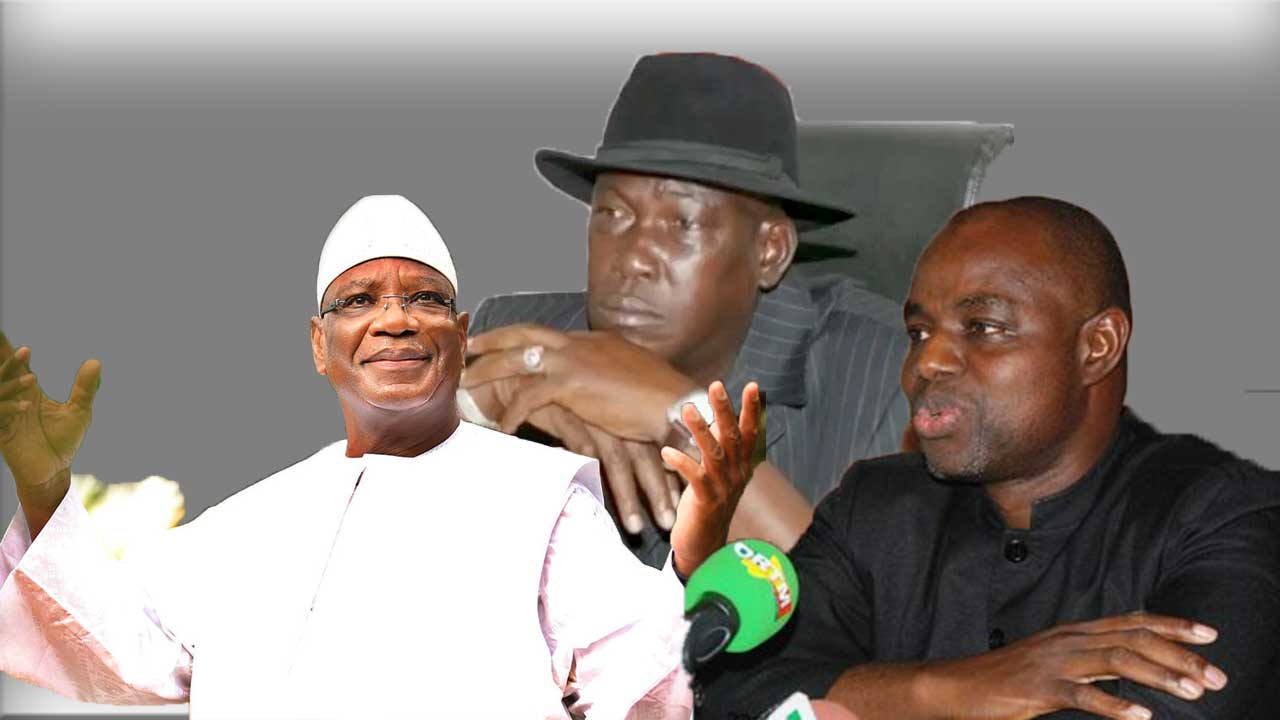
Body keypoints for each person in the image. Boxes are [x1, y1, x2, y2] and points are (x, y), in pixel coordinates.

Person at [0, 194, 762, 719]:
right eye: (359, 301)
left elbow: (643, 691)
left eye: (425, 299)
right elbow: (108, 651)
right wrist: (41, 479)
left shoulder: (540, 500)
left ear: (460, 336)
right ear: (318, 344)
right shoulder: (249, 524)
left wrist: (696, 553)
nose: (395, 319)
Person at [698, 196, 1280, 720]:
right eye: (919, 332)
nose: (928, 362)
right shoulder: (875, 508)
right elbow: (733, 692)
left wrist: (873, 699)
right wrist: (951, 690)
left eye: (983, 327)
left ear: (1097, 346)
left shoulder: (1225, 516)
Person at [462, 53, 908, 566]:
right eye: (612, 213)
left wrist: (680, 414)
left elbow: (865, 612)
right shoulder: (516, 342)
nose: (632, 259)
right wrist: (467, 417)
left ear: (769, 252)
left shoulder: (884, 375)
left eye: (682, 224)